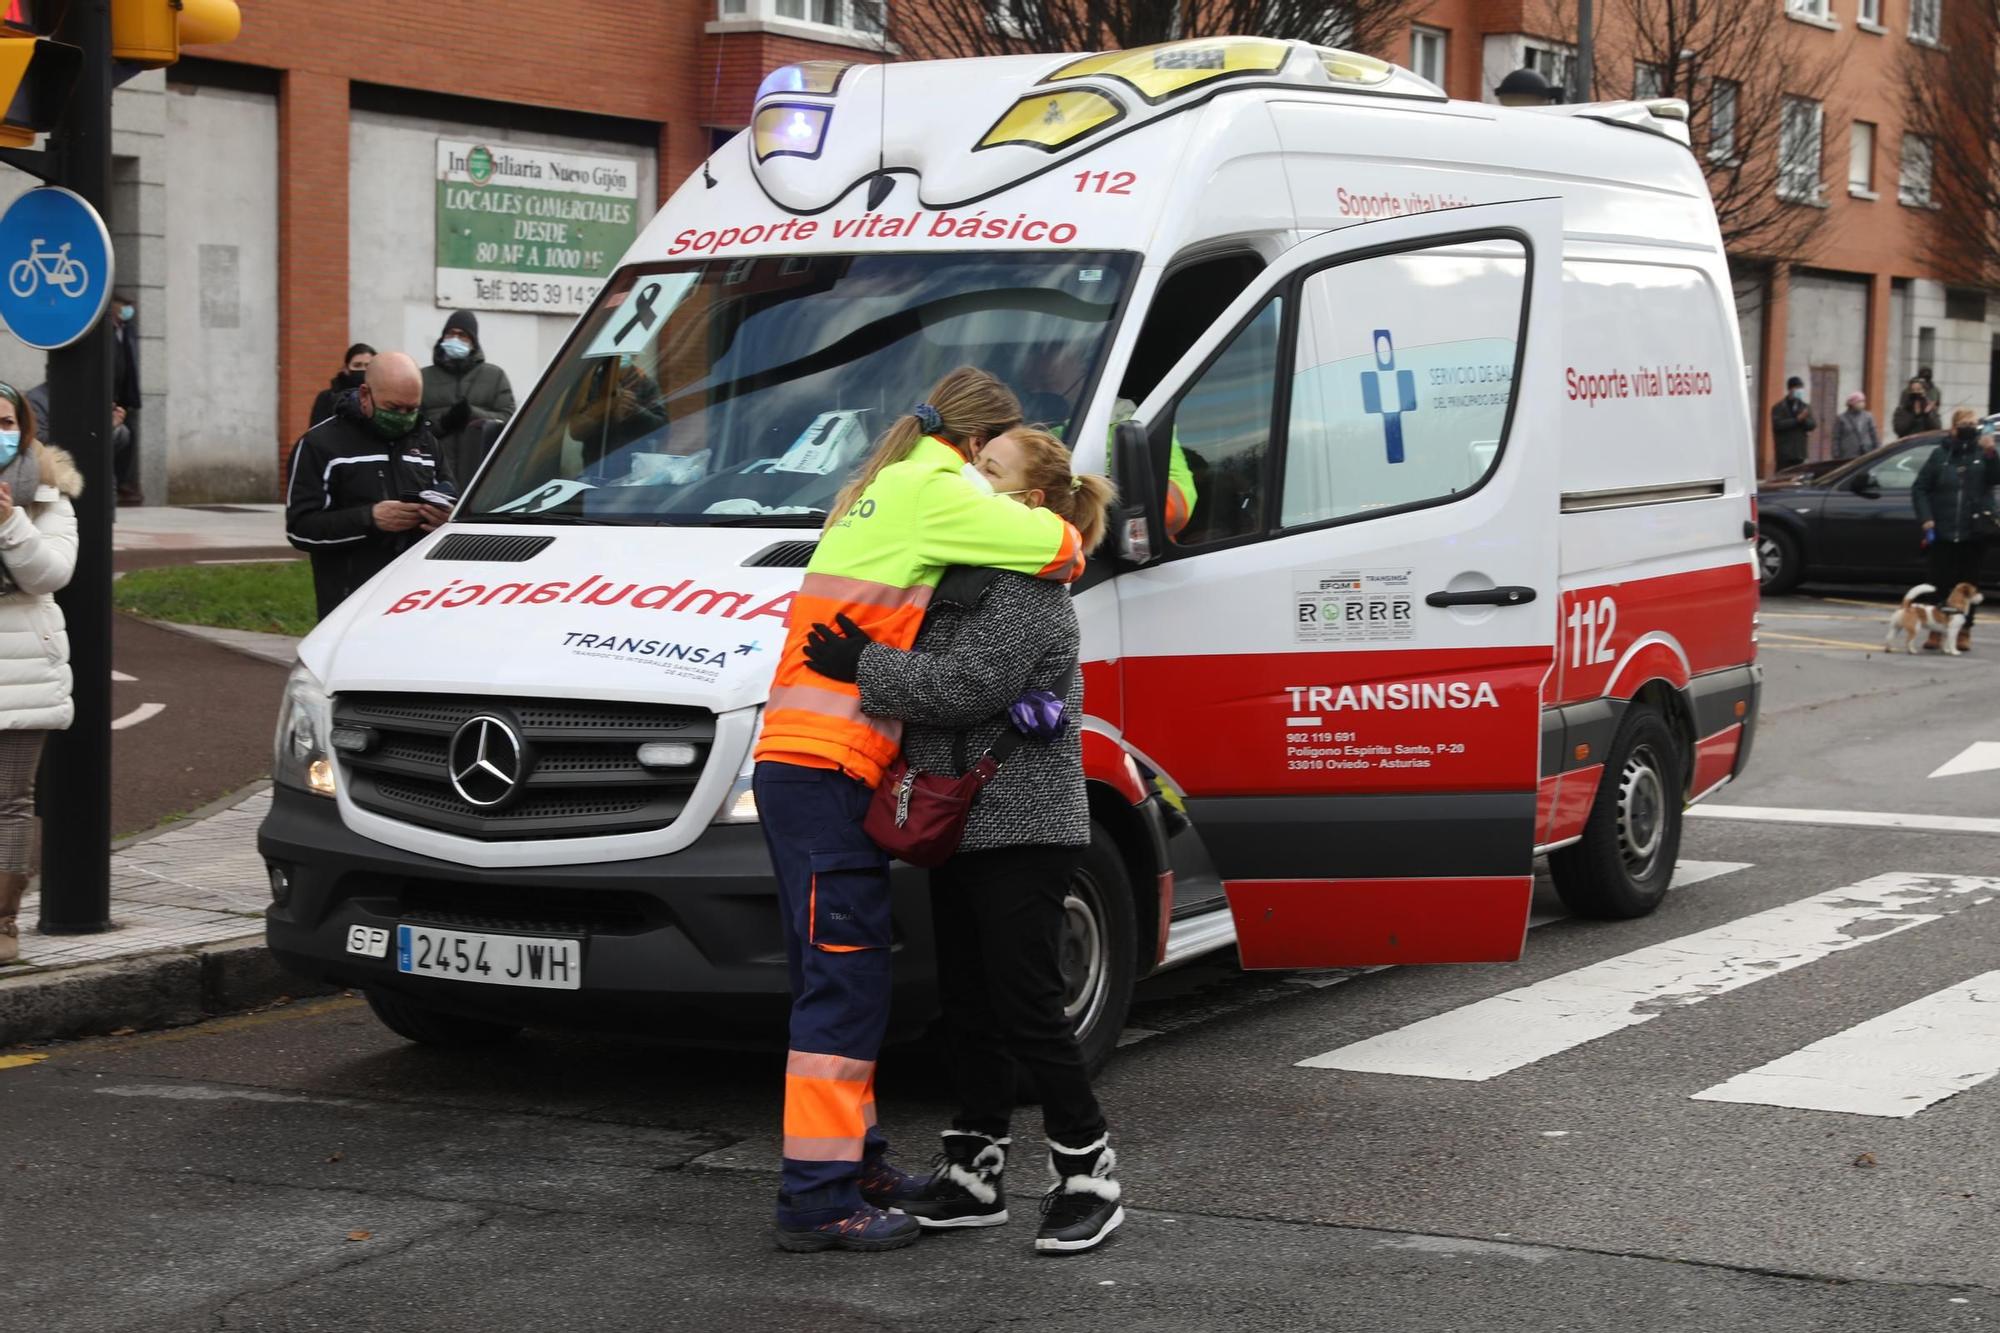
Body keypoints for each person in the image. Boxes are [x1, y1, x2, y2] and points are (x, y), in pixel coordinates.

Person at [750, 367, 1086, 1254]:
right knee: (842, 987)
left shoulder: (885, 486)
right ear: (974, 444)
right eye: (991, 460)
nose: (986, 480)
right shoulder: (938, 489)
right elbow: (1063, 544)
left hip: (811, 764)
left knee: (842, 981)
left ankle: (856, 1164)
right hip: (827, 765)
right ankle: (817, 1197)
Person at [0, 384, 81, 965]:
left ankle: (3, 922)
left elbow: (51, 574)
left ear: (24, 428)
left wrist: (10, 521)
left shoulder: (49, 493)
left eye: (6, 422)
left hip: (23, 667)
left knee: (8, 801)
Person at [285, 351, 450, 620]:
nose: (403, 417)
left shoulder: (426, 443)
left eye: (412, 410)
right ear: (365, 394)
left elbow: (450, 492)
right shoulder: (320, 445)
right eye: (393, 408)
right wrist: (370, 518)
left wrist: (444, 517)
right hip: (350, 605)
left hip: (415, 602)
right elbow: (300, 529)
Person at [1911, 408, 1999, 653]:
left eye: (1972, 424)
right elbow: (1920, 488)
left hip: (1974, 531)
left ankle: (1964, 630)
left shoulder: (1983, 453)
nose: (1969, 427)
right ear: (1954, 427)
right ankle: (1936, 629)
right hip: (1943, 529)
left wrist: (1991, 452)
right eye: (1964, 423)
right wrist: (1926, 518)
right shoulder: (1940, 454)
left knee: (1968, 584)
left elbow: (1995, 478)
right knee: (1939, 581)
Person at [420, 311, 516, 491]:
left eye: (462, 335)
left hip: (480, 475)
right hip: (435, 478)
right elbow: (414, 427)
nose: (455, 339)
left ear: (473, 341)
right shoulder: (423, 377)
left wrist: (472, 415)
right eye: (450, 334)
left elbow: (509, 420)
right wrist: (444, 422)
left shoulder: (494, 376)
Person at [110, 294, 141, 505]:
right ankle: (117, 484)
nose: (128, 310)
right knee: (118, 437)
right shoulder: (107, 331)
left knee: (127, 438)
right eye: (124, 306)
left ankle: (122, 483)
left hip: (123, 398)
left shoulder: (126, 330)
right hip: (110, 398)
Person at [310, 343, 376, 427]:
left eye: (368, 365)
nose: (363, 369)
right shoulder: (326, 397)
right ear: (346, 368)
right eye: (357, 365)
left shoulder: (380, 397)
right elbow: (316, 429)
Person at [1770, 376, 1815, 470]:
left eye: (1801, 388)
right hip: (1784, 453)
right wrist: (1796, 420)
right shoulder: (1779, 407)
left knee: (1798, 476)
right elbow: (1778, 425)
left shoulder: (1804, 406)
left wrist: (1804, 420)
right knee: (1783, 476)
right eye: (1797, 388)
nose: (1800, 390)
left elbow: (1812, 425)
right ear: (1790, 389)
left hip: (1799, 453)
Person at [1832, 391, 1880, 459]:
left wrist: (1878, 449)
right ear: (1852, 403)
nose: (1862, 404)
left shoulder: (1868, 416)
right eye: (1859, 401)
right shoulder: (1842, 418)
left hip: (1866, 452)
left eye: (1863, 401)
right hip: (1848, 454)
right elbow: (1836, 438)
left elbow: (1874, 434)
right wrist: (1836, 453)